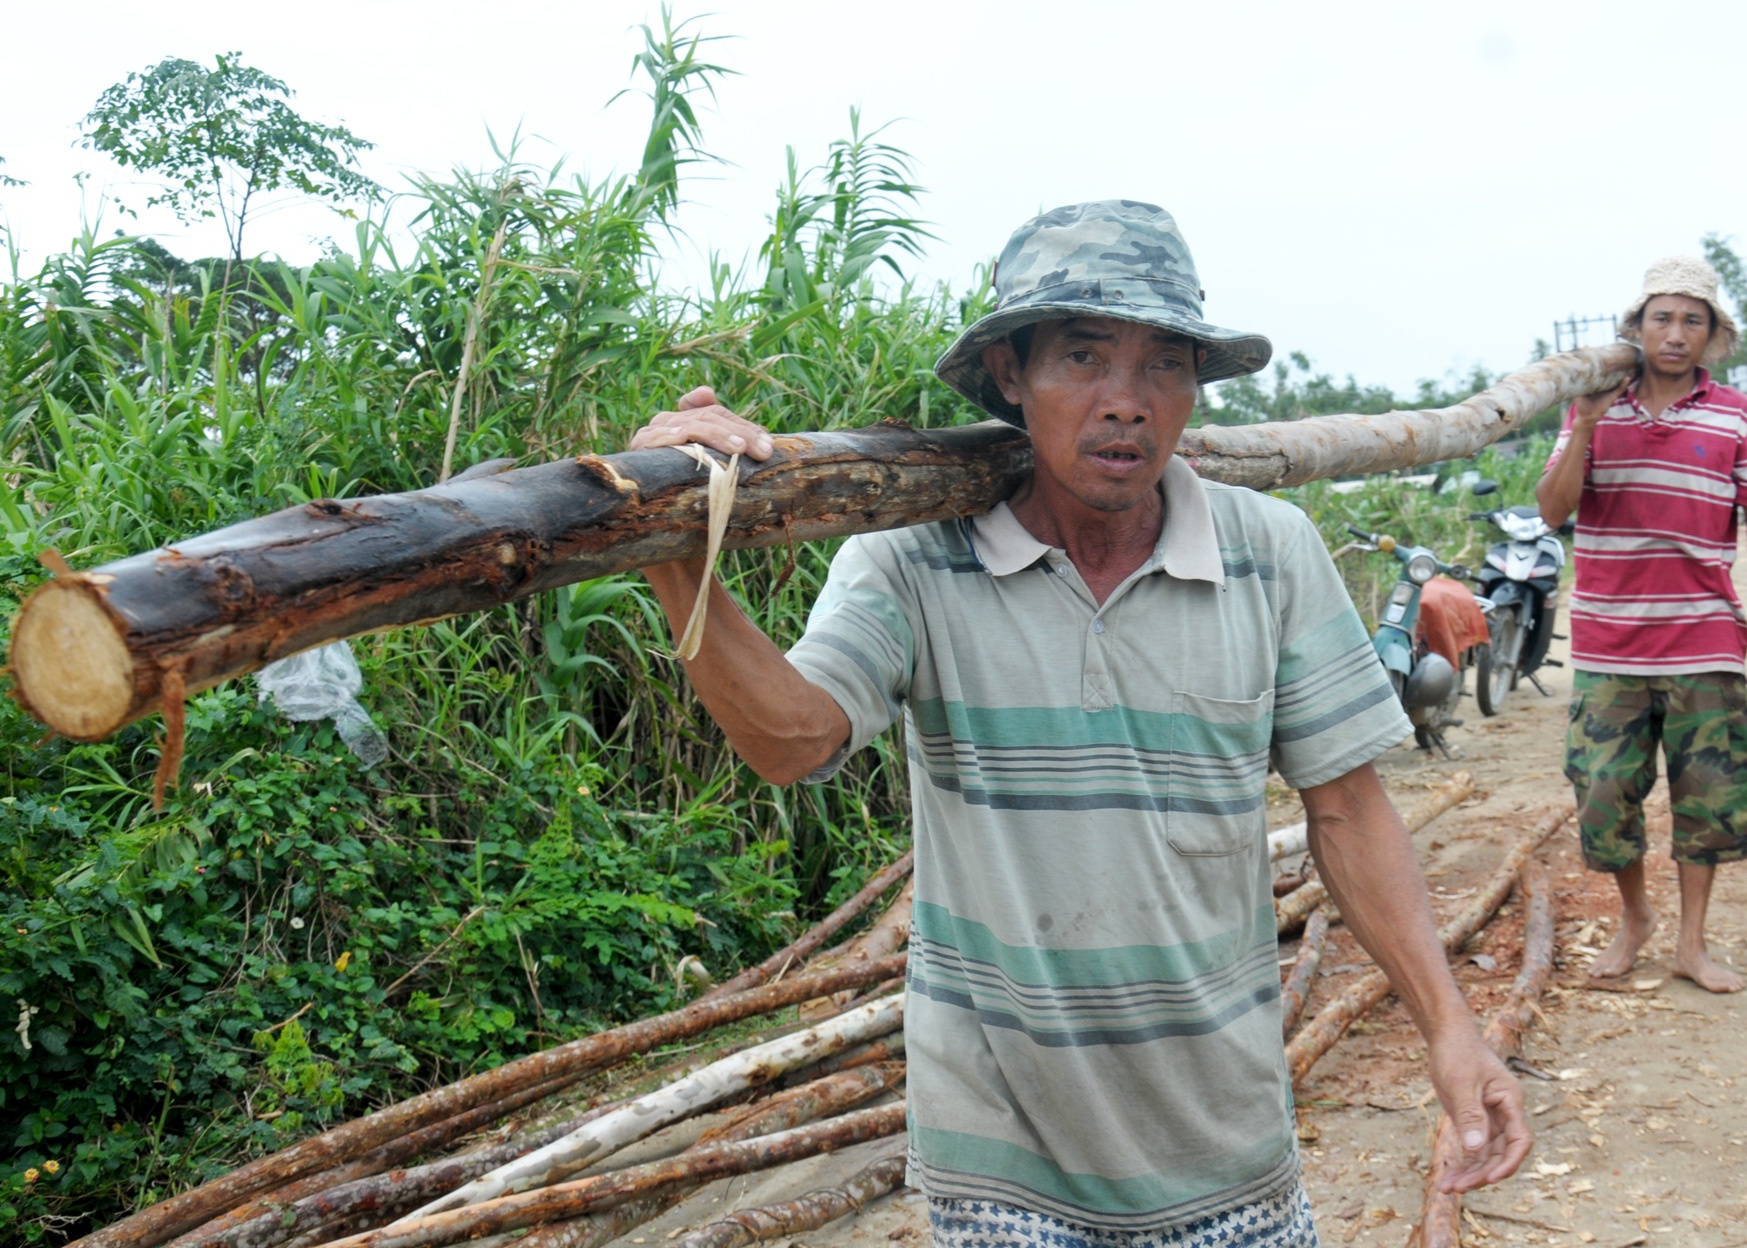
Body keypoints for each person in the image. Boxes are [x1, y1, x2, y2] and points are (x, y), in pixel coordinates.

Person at [631, 201, 1530, 1246]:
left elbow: (1349, 813)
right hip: (1002, 1164)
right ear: (1010, 373)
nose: (1127, 403)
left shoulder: (1269, 554)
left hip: (1227, 1148)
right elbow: (795, 740)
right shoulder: (914, 557)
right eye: (1083, 357)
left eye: (1163, 365)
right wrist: (674, 553)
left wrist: (1451, 1028)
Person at [1536, 255, 1747, 995]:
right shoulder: (1593, 407)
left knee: (1708, 794)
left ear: (1713, 334)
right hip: (1608, 643)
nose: (1676, 334)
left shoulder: (1736, 414)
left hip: (1704, 637)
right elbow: (1553, 509)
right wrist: (1588, 424)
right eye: (1663, 318)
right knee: (1602, 792)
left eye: (1693, 320)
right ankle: (1636, 917)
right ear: (1638, 326)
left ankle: (1692, 943)